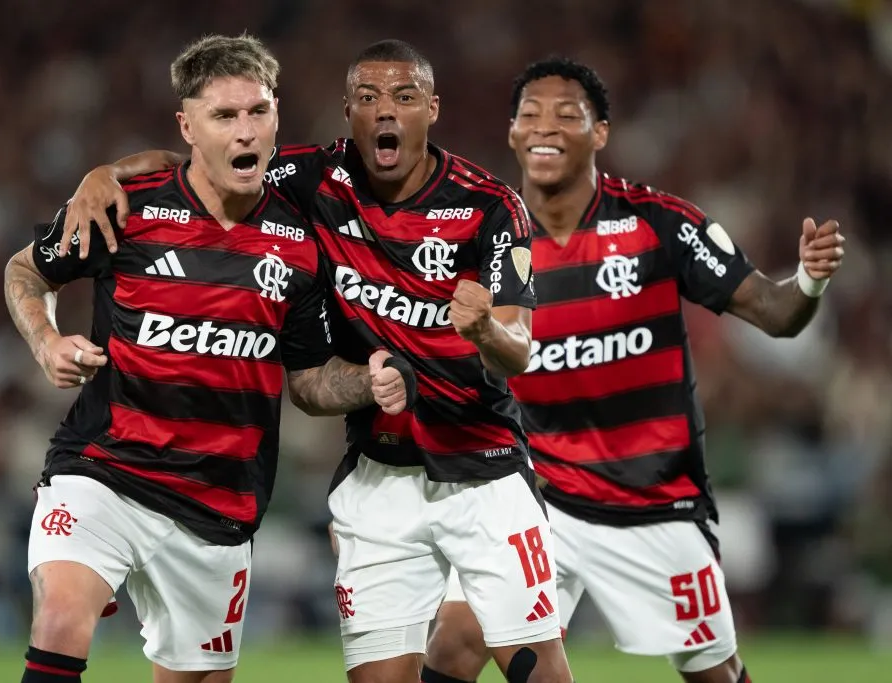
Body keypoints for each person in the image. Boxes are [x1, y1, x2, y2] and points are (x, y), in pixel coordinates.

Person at [62, 39, 574, 683]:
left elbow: (519, 351)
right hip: (378, 473)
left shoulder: (489, 205)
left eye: (404, 98)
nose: (384, 113)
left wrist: (482, 332)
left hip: (483, 466)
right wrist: (103, 175)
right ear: (349, 113)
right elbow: (199, 164)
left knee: (536, 668)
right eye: (367, 99)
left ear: (432, 109)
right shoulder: (310, 178)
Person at [422, 58, 846, 683]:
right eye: (530, 115)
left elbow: (776, 313)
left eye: (568, 115)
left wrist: (808, 278)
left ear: (599, 133)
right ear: (512, 133)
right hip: (540, 496)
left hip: (654, 501)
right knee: (455, 642)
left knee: (715, 673)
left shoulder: (658, 223)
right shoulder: (484, 242)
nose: (546, 128)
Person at [4, 34, 411, 683]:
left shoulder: (301, 243)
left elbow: (307, 381)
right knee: (59, 618)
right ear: (187, 125)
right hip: (105, 469)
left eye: (257, 111)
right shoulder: (126, 206)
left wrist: (369, 380)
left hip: (219, 509)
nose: (245, 130)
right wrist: (47, 341)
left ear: (277, 113)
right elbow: (26, 272)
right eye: (225, 116)